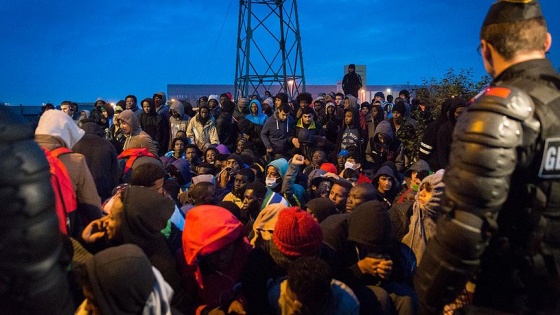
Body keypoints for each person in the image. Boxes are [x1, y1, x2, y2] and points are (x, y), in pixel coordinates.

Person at [414, 1, 560, 313]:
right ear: (547, 42)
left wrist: (426, 292)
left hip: (514, 292)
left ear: (485, 50)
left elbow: (464, 227)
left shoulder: (498, 110)